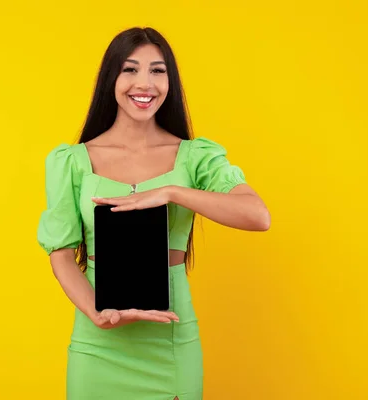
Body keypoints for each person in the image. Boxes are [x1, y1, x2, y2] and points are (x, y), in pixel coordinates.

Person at [37, 26, 270, 400]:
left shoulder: (195, 157)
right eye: (130, 69)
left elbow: (257, 216)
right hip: (98, 345)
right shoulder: (72, 161)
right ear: (111, 77)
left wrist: (172, 191)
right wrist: (98, 314)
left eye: (157, 70)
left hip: (171, 344)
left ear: (170, 81)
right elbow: (61, 254)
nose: (144, 83)